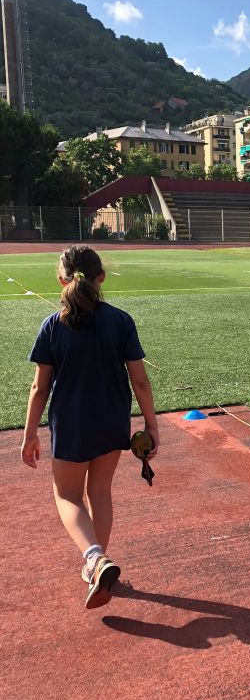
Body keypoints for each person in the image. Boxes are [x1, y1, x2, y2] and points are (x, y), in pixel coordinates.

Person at [21, 245, 159, 609]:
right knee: (100, 492)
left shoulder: (53, 326)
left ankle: (95, 559)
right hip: (112, 421)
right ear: (102, 278)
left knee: (67, 496)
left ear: (61, 280)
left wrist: (30, 433)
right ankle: (96, 566)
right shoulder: (121, 321)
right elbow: (140, 381)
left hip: (72, 425)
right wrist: (151, 425)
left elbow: (40, 388)